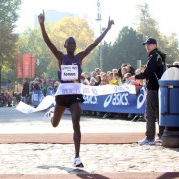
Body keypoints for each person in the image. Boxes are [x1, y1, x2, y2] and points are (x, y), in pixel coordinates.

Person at [38, 10, 114, 167]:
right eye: (69, 43)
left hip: (75, 93)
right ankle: (52, 114)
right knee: (54, 124)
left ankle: (77, 157)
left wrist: (107, 29)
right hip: (62, 93)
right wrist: (42, 24)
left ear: (75, 46)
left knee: (76, 121)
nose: (71, 45)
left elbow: (94, 44)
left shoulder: (79, 57)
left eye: (73, 43)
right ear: (65, 46)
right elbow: (48, 42)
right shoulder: (61, 57)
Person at [132, 38, 165, 145]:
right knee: (158, 113)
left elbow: (148, 72)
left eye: (149, 44)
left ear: (155, 45)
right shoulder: (159, 55)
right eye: (146, 44)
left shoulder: (154, 56)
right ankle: (161, 135)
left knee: (150, 113)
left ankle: (149, 137)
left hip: (153, 88)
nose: (147, 46)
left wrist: (135, 76)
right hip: (160, 87)